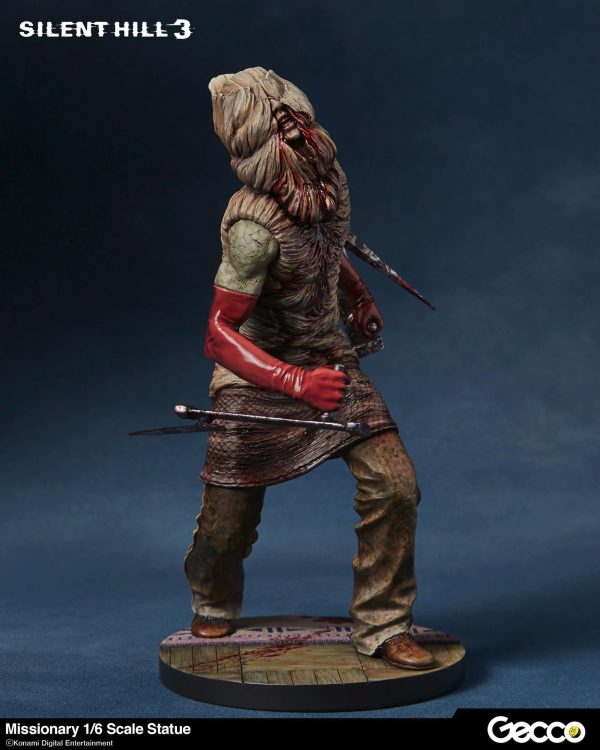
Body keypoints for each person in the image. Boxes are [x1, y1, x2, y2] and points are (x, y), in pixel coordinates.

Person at [184, 67, 434, 669]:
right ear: (257, 145)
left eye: (299, 119)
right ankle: (213, 597)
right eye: (281, 126)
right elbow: (218, 336)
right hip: (257, 373)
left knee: (395, 484)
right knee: (228, 523)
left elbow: (325, 242)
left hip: (328, 359)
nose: (298, 133)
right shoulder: (251, 231)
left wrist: (356, 294)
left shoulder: (329, 184)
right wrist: (293, 381)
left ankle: (383, 624)